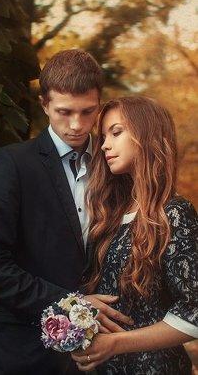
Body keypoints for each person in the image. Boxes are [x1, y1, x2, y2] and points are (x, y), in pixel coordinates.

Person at [0, 50, 133, 375]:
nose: (76, 125)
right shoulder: (13, 164)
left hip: (108, 354)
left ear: (99, 105)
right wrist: (72, 304)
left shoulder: (117, 165)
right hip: (25, 354)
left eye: (87, 112)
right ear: (44, 104)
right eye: (64, 112)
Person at [72, 96, 198, 374]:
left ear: (146, 135)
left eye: (116, 132)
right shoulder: (110, 215)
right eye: (103, 136)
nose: (104, 145)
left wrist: (117, 343)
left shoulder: (174, 213)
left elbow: (194, 311)